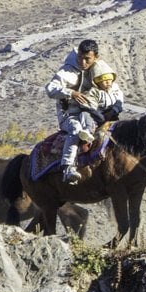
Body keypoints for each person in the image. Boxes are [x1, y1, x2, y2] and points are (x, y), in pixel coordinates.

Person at [44, 39, 101, 184]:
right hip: (69, 115)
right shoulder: (67, 71)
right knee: (76, 129)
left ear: (96, 57)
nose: (82, 62)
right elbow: (50, 89)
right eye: (80, 58)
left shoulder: (100, 71)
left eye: (87, 59)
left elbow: (113, 90)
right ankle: (68, 168)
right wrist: (70, 93)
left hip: (92, 114)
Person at [85, 60, 124, 124]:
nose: (108, 82)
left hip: (112, 115)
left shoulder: (115, 89)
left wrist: (114, 110)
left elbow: (119, 101)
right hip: (98, 117)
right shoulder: (94, 92)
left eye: (109, 80)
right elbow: (90, 106)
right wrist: (100, 116)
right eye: (104, 80)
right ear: (97, 82)